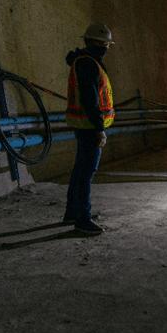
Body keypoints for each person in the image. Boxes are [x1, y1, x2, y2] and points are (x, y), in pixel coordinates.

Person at [63, 23, 116, 235]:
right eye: (106, 44)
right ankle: (82, 220)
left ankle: (72, 212)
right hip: (89, 126)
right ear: (99, 43)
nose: (107, 48)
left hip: (82, 124)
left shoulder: (83, 61)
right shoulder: (89, 64)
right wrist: (99, 128)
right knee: (86, 173)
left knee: (80, 169)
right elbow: (90, 99)